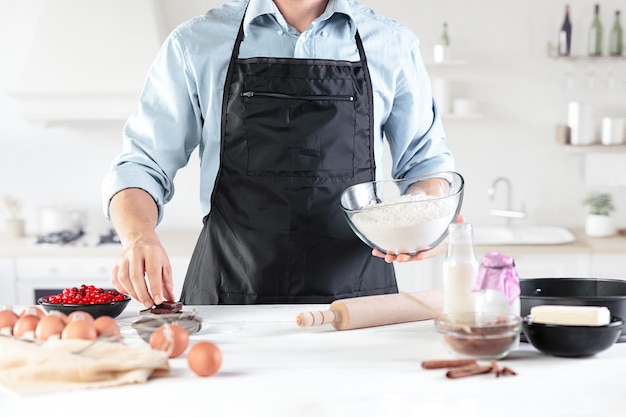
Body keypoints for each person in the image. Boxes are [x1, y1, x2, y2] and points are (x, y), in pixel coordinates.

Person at [102, 0, 454, 307]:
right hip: (228, 297)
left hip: (359, 301)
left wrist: (426, 216)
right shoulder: (195, 43)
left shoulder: (392, 44)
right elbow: (143, 164)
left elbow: (426, 164)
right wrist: (138, 236)